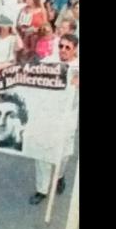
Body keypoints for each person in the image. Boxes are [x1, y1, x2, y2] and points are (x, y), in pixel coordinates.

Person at [30, 34, 79, 205]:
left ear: (75, 49)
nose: (63, 51)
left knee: (63, 154)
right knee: (42, 152)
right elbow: (28, 73)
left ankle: (59, 176)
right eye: (61, 46)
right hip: (47, 115)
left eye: (67, 48)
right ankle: (42, 189)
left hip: (67, 117)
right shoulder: (49, 62)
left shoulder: (78, 67)